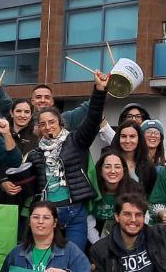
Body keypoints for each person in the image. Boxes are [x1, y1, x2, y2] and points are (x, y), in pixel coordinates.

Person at [26, 70, 108, 252]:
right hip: (47, 214)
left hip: (74, 211)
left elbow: (93, 118)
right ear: (38, 128)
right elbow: (32, 187)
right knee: (48, 257)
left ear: (60, 123)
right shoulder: (35, 153)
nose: (48, 127)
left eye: (52, 122)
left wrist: (100, 90)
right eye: (43, 124)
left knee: (74, 256)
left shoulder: (76, 141)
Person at [87, 151, 143, 244]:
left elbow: (139, 219)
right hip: (95, 237)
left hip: (127, 236)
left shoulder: (133, 189)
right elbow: (88, 223)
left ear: (123, 170)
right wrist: (100, 245)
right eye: (107, 167)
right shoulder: (91, 189)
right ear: (100, 170)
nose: (113, 171)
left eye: (117, 167)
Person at [108, 122, 158, 194]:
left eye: (132, 136)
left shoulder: (147, 166)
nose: (127, 141)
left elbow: (149, 194)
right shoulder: (107, 161)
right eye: (123, 136)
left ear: (139, 139)